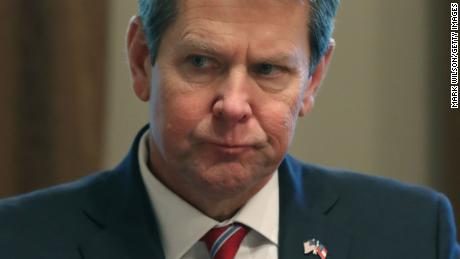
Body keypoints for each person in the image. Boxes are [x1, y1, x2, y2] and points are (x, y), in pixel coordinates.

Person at [0, 0, 459, 258]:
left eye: (268, 69)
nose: (234, 106)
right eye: (201, 62)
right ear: (142, 60)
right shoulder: (18, 241)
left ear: (314, 79)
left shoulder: (415, 236)